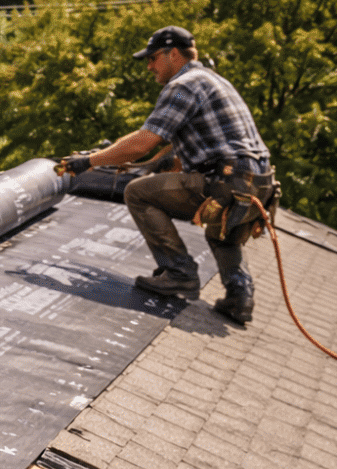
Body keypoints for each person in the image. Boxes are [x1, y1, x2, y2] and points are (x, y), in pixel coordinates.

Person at [59, 26, 278, 325]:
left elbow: (144, 141)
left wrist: (89, 161)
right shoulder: (215, 81)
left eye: (152, 58)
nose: (149, 66)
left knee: (137, 192)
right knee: (222, 226)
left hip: (227, 180)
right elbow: (190, 145)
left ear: (172, 54)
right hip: (259, 183)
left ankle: (178, 274)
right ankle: (240, 295)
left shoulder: (183, 85)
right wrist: (158, 164)